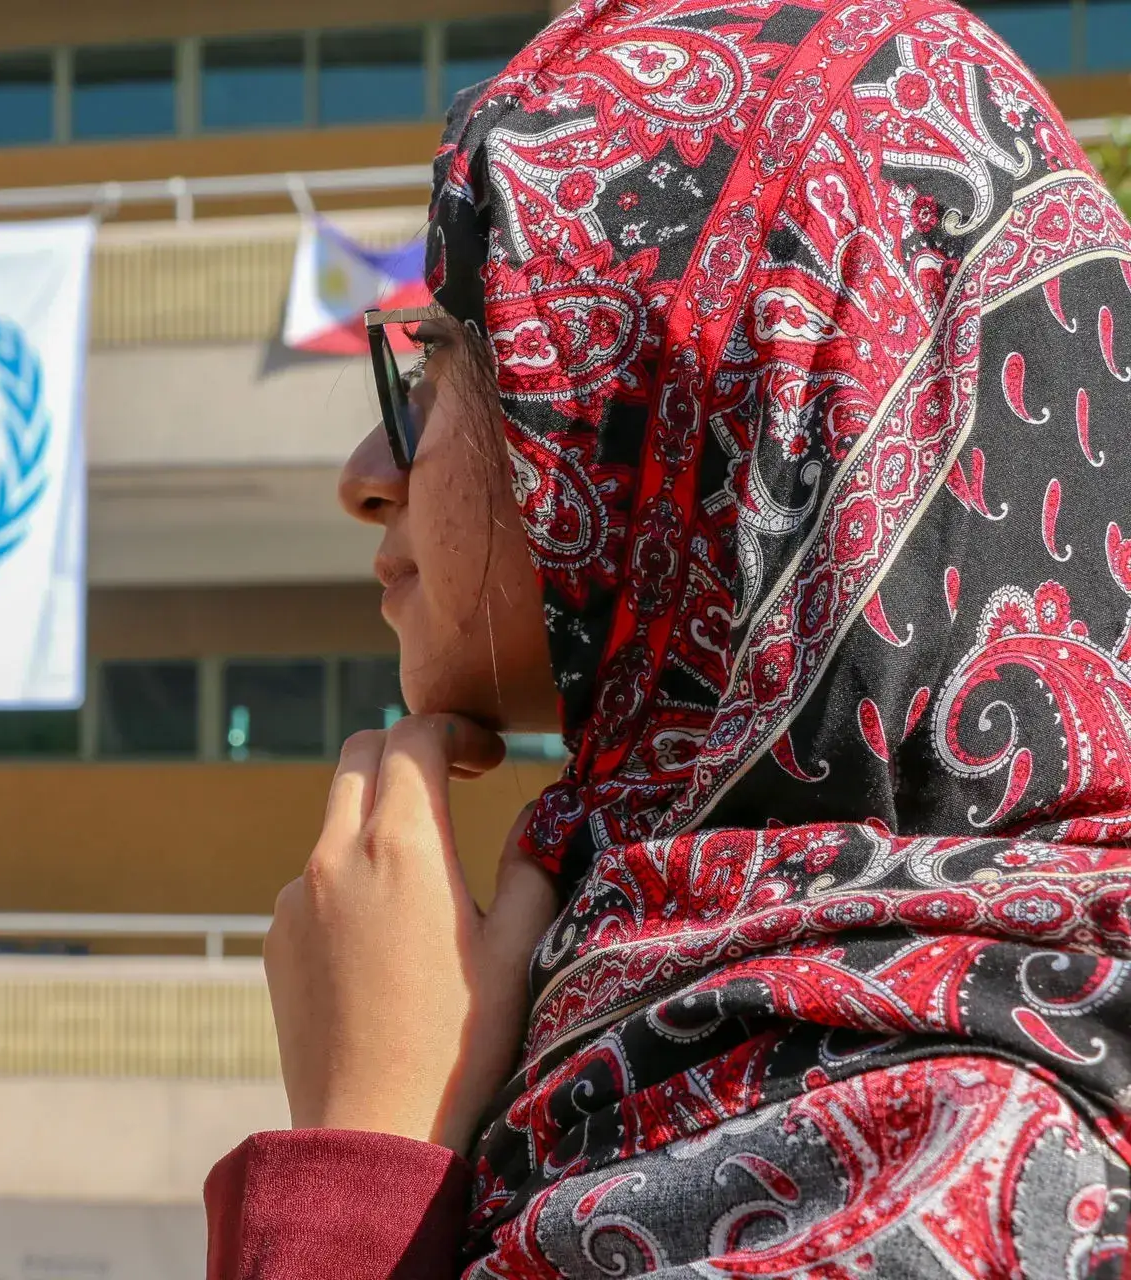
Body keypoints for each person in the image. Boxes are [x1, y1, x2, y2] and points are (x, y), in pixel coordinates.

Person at [206, 0, 1131, 1273]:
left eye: (439, 363)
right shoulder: (680, 991)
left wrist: (358, 1163)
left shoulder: (944, 1151)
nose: (366, 474)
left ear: (706, 411)